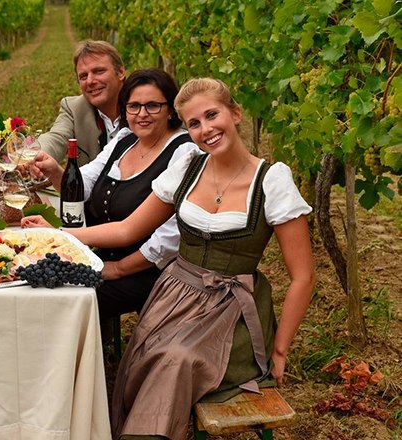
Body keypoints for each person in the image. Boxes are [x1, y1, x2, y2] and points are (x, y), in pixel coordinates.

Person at [22, 77, 315, 440]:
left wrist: (280, 350)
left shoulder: (272, 181)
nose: (205, 129)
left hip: (232, 309)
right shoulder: (188, 169)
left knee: (174, 360)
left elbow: (303, 276)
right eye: (194, 123)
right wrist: (57, 235)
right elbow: (127, 230)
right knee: (142, 359)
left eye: (212, 115)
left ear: (235, 114)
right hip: (175, 294)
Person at [28, 68, 199, 329]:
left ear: (170, 110)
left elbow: (168, 240)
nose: (142, 114)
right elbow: (82, 186)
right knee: (35, 277)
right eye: (134, 106)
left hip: (148, 270)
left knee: (62, 301)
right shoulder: (124, 140)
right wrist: (54, 170)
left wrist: (116, 268)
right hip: (100, 256)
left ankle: (79, 365)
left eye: (152, 105)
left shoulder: (185, 152)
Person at [35, 40, 126, 165]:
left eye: (99, 71)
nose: (90, 81)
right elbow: (55, 138)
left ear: (120, 72)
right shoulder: (74, 108)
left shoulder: (145, 106)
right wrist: (36, 154)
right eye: (83, 76)